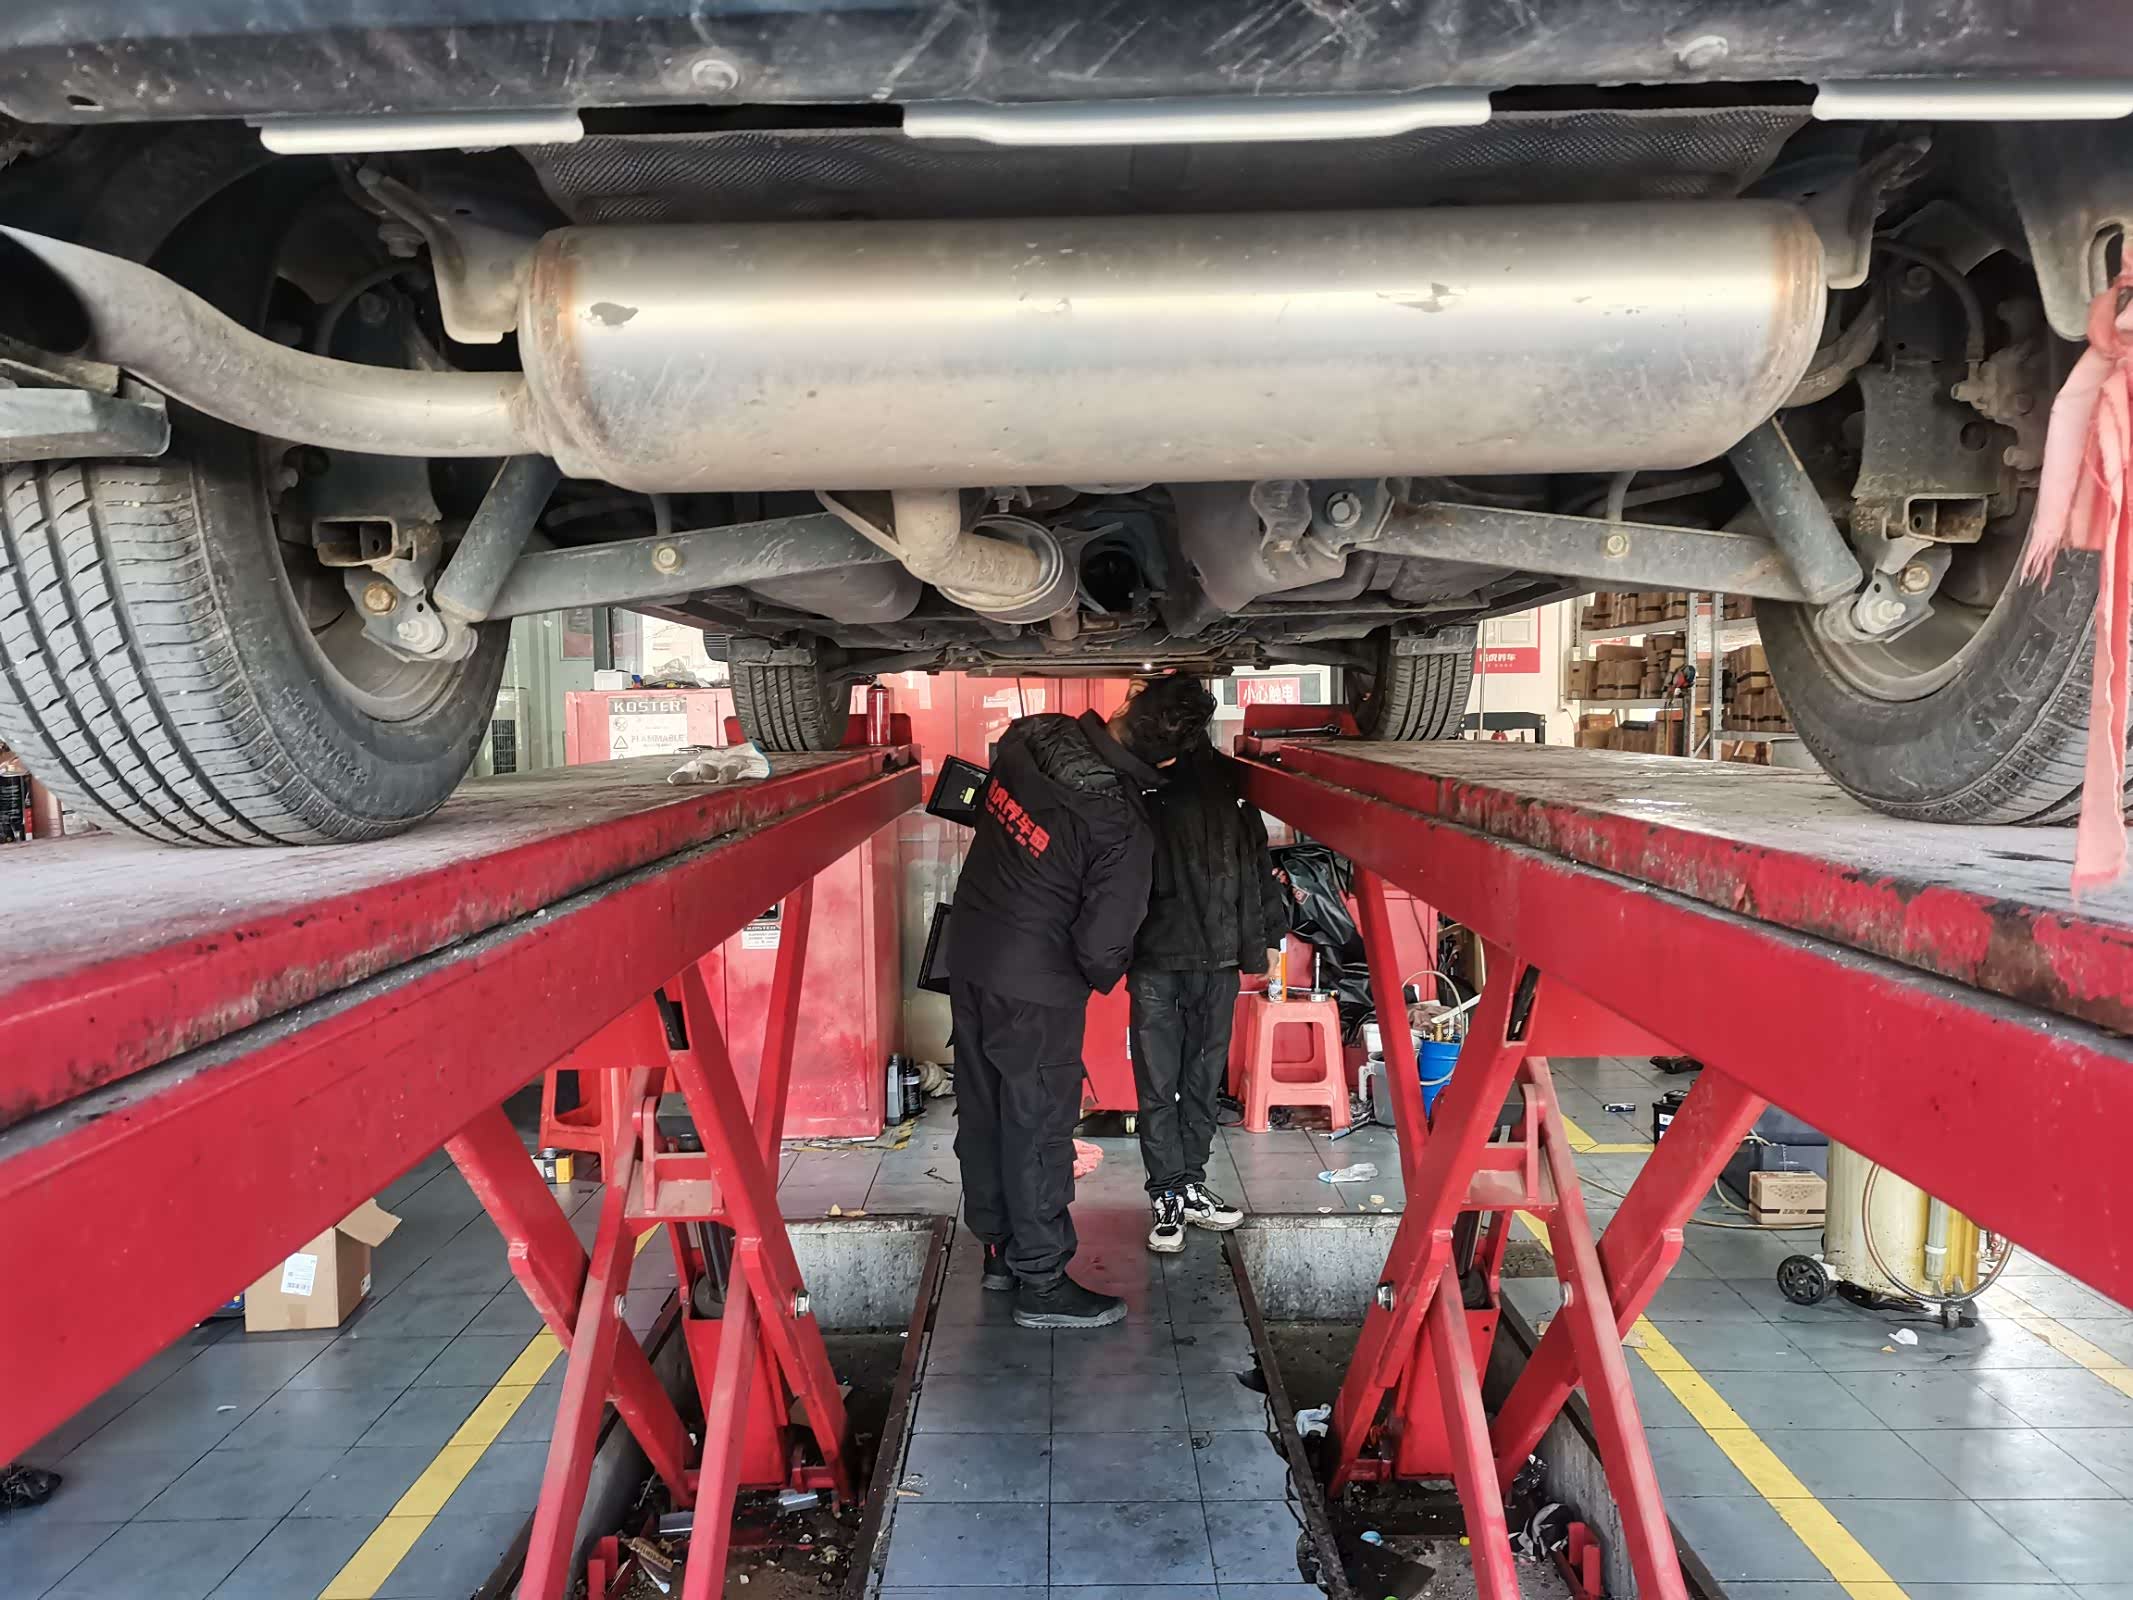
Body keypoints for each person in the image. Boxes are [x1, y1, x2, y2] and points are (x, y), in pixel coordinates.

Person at [948, 675, 1217, 1329]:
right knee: (1037, 1129)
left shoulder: (1033, 735)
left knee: (984, 1113)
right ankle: (1041, 1282)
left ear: (1127, 702)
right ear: (1169, 760)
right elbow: (1102, 946)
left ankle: (999, 1253)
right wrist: (1104, 971)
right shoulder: (1122, 826)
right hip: (1036, 991)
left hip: (969, 955)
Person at [1128, 730, 1288, 1252]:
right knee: (1175, 1082)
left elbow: (1258, 867)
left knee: (1183, 1082)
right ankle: (1171, 1191)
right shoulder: (1148, 786)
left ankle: (1183, 1188)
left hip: (1198, 959)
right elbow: (1116, 872)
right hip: (1168, 960)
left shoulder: (1220, 788)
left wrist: (1270, 936)